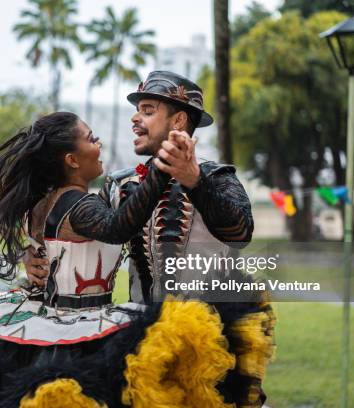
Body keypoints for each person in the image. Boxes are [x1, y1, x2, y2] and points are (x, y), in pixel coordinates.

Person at [0, 111, 222, 408]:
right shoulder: (77, 205)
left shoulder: (50, 200)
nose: (99, 145)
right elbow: (116, 228)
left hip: (50, 315)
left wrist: (28, 256)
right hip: (76, 328)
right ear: (71, 159)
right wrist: (163, 169)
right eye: (91, 138)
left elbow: (53, 244)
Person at [24, 71, 276, 407]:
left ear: (179, 119)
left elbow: (241, 233)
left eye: (147, 110)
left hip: (212, 342)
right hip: (140, 342)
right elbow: (73, 229)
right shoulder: (119, 184)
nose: (134, 118)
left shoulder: (219, 177)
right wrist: (32, 256)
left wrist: (195, 181)